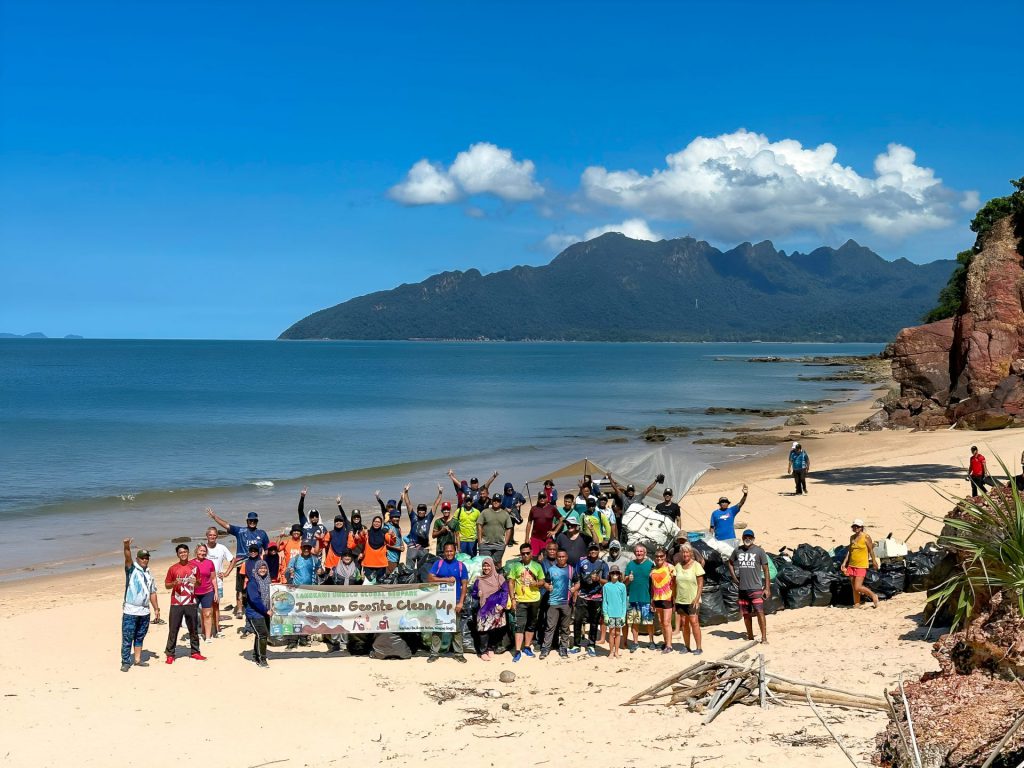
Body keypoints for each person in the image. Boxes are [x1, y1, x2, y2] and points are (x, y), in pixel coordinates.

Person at [206, 507, 269, 619]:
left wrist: (266, 563)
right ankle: (239, 609)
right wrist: (214, 517)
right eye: (250, 520)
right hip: (241, 564)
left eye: (254, 520)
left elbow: (267, 549)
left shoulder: (262, 533)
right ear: (247, 521)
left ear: (257, 521)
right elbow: (226, 525)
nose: (252, 522)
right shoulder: (240, 531)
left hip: (257, 565)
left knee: (257, 586)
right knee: (240, 588)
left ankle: (258, 605)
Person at [120, 538, 159, 672]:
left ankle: (137, 660)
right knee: (127, 637)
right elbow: (127, 557)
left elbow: (152, 592)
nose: (144, 560)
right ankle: (125, 661)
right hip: (131, 610)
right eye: (142, 558)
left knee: (140, 636)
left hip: (144, 611)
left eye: (146, 558)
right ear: (137, 559)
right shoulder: (131, 569)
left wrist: (156, 609)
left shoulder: (149, 574)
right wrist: (126, 546)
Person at [427, 542, 469, 663]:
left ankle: (459, 653)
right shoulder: (438, 564)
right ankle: (434, 653)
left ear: (455, 551)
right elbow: (430, 578)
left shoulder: (461, 566)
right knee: (438, 628)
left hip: (455, 602)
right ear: (444, 552)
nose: (449, 553)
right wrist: (446, 579)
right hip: (440, 602)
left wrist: (461, 602)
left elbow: (464, 585)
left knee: (456, 629)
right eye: (447, 551)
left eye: (451, 551)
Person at [728, 529, 771, 644]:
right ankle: (750, 636)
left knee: (759, 612)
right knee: (746, 614)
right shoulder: (737, 550)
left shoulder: (759, 551)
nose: (748, 538)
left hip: (756, 588)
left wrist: (767, 588)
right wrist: (734, 578)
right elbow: (730, 563)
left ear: (753, 538)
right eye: (745, 536)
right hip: (742, 589)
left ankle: (764, 638)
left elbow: (766, 570)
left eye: (750, 537)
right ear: (742, 538)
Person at [164, 543, 204, 664]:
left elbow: (199, 583)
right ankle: (170, 654)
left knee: (193, 628)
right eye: (180, 552)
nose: (183, 554)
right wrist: (174, 583)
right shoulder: (173, 568)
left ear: (188, 553)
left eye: (185, 552)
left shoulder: (194, 567)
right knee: (173, 628)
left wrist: (195, 582)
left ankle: (195, 652)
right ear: (177, 554)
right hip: (176, 602)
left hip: (191, 601)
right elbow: (166, 585)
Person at [507, 543, 545, 662]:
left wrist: (536, 584)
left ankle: (527, 647)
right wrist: (512, 598)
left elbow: (542, 581)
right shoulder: (515, 566)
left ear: (531, 553)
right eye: (523, 553)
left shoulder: (537, 566)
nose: (525, 555)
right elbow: (511, 582)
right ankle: (518, 650)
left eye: (527, 553)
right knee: (519, 625)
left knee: (531, 624)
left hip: (534, 599)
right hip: (521, 600)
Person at [572, 543, 608, 656]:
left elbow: (607, 581)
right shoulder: (582, 562)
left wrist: (598, 579)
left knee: (594, 622)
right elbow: (576, 578)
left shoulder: (603, 564)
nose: (593, 551)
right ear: (588, 551)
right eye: (591, 549)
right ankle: (576, 644)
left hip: (597, 597)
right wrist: (575, 593)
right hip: (582, 596)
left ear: (598, 551)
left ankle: (591, 645)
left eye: (595, 549)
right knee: (577, 620)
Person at [471, 557, 509, 660]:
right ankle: (483, 651)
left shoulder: (499, 578)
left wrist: (503, 604)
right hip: (483, 609)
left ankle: (490, 648)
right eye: (484, 565)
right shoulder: (479, 580)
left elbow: (505, 592)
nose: (486, 567)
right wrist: (477, 594)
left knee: (493, 630)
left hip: (496, 609)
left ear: (492, 566)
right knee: (483, 630)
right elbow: (473, 594)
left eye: (488, 565)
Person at [540, 548, 573, 659]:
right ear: (556, 558)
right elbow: (545, 582)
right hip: (553, 602)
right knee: (550, 627)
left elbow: (577, 582)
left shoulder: (571, 569)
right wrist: (547, 586)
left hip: (566, 602)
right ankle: (545, 649)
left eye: (563, 556)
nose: (561, 558)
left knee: (565, 628)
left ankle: (563, 649)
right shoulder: (551, 569)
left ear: (566, 557)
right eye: (559, 557)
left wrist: (574, 589)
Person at [840, 519, 881, 609]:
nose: (856, 528)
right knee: (853, 586)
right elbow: (850, 551)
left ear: (862, 527)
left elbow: (871, 550)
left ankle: (874, 596)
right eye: (854, 526)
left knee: (858, 587)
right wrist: (844, 562)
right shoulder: (852, 537)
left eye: (858, 526)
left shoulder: (866, 537)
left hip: (861, 565)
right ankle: (857, 603)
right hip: (852, 564)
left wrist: (874, 561)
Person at [202, 527, 234, 638]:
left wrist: (226, 573)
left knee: (215, 606)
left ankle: (217, 628)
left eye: (214, 535)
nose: (212, 537)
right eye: (210, 535)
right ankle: (205, 630)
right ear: (207, 536)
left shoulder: (222, 548)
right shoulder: (203, 548)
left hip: (218, 582)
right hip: (204, 583)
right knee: (205, 607)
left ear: (217, 536)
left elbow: (233, 560)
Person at [673, 542, 704, 655]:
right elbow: (674, 584)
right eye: (683, 552)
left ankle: (699, 647)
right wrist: (674, 598)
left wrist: (697, 598)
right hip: (681, 599)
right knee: (684, 623)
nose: (685, 554)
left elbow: (700, 583)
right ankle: (686, 646)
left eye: (687, 552)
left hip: (692, 599)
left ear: (691, 553)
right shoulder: (678, 566)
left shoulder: (696, 565)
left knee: (694, 622)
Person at [624, 544, 656, 652]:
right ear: (634, 553)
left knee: (649, 622)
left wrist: (653, 599)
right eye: (637, 551)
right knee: (634, 621)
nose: (639, 553)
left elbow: (654, 583)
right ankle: (635, 642)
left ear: (645, 553)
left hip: (646, 597)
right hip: (633, 598)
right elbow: (625, 583)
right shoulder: (630, 565)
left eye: (641, 551)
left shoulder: (650, 565)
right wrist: (628, 579)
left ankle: (651, 641)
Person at [404, 484, 442, 569]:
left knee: (423, 569)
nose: (421, 512)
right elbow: (408, 504)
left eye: (423, 510)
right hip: (412, 545)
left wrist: (440, 493)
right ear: (417, 511)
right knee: (409, 569)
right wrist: (406, 492)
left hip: (424, 547)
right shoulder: (413, 517)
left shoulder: (428, 518)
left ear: (425, 512)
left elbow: (435, 505)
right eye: (420, 510)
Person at [245, 559, 272, 667]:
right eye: (260, 568)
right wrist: (266, 610)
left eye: (265, 567)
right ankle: (262, 660)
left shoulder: (267, 580)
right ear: (256, 569)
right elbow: (255, 599)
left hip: (264, 612)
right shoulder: (253, 582)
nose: (263, 570)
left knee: (259, 635)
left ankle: (256, 655)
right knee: (263, 634)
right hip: (255, 613)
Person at [650, 548, 675, 653]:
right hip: (657, 598)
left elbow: (675, 584)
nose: (659, 558)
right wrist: (652, 600)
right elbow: (652, 586)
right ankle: (665, 642)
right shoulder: (653, 570)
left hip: (667, 598)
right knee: (661, 622)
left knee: (666, 622)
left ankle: (669, 645)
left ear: (665, 556)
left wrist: (674, 598)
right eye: (657, 556)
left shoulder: (670, 568)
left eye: (661, 556)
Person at [191, 543, 218, 641]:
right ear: (196, 551)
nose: (202, 552)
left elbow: (213, 578)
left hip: (208, 591)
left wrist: (216, 593)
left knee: (207, 614)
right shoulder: (191, 563)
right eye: (200, 550)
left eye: (204, 551)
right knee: (193, 615)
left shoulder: (209, 563)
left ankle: (208, 637)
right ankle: (194, 636)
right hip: (194, 593)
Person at [477, 494, 513, 566]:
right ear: (492, 501)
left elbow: (509, 528)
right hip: (485, 544)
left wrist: (505, 542)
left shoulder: (505, 514)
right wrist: (480, 540)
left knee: (496, 565)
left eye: (498, 501)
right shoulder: (485, 512)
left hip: (499, 545)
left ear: (501, 502)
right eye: (494, 500)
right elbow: (479, 525)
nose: (496, 502)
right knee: (486, 565)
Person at [709, 484, 749, 549]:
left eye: (725, 502)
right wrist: (711, 540)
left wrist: (745, 495)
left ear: (728, 503)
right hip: (719, 541)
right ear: (719, 504)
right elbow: (712, 528)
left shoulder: (731, 511)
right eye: (722, 502)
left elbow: (740, 504)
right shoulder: (714, 513)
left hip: (731, 540)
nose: (724, 503)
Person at [602, 566, 627, 659]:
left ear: (619, 574)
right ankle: (611, 652)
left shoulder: (622, 586)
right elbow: (605, 601)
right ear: (610, 574)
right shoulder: (606, 586)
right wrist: (605, 614)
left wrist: (623, 615)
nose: (615, 574)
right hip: (610, 614)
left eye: (616, 573)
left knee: (618, 633)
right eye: (613, 573)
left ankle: (616, 651)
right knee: (611, 633)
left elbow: (624, 602)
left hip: (620, 614)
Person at [361, 514, 393, 583]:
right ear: (372, 522)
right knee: (368, 584)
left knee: (380, 585)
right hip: (368, 564)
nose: (376, 523)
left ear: (381, 524)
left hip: (381, 564)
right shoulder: (367, 533)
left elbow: (391, 542)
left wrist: (392, 535)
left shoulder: (384, 534)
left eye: (379, 522)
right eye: (375, 521)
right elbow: (360, 540)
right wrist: (361, 534)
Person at [525, 491, 558, 556]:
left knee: (547, 557)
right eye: (540, 497)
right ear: (538, 498)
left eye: (544, 497)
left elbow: (561, 519)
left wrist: (555, 531)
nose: (542, 499)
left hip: (547, 538)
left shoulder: (552, 508)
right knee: (534, 557)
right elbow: (529, 522)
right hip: (535, 538)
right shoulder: (533, 509)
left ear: (547, 498)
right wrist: (526, 537)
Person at [384, 508, 405, 573]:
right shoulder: (387, 527)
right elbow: (385, 544)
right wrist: (398, 549)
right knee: (389, 577)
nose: (397, 518)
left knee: (394, 576)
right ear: (390, 518)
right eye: (394, 517)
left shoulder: (398, 527)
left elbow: (400, 539)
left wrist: (402, 545)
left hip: (397, 557)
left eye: (398, 517)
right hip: (389, 558)